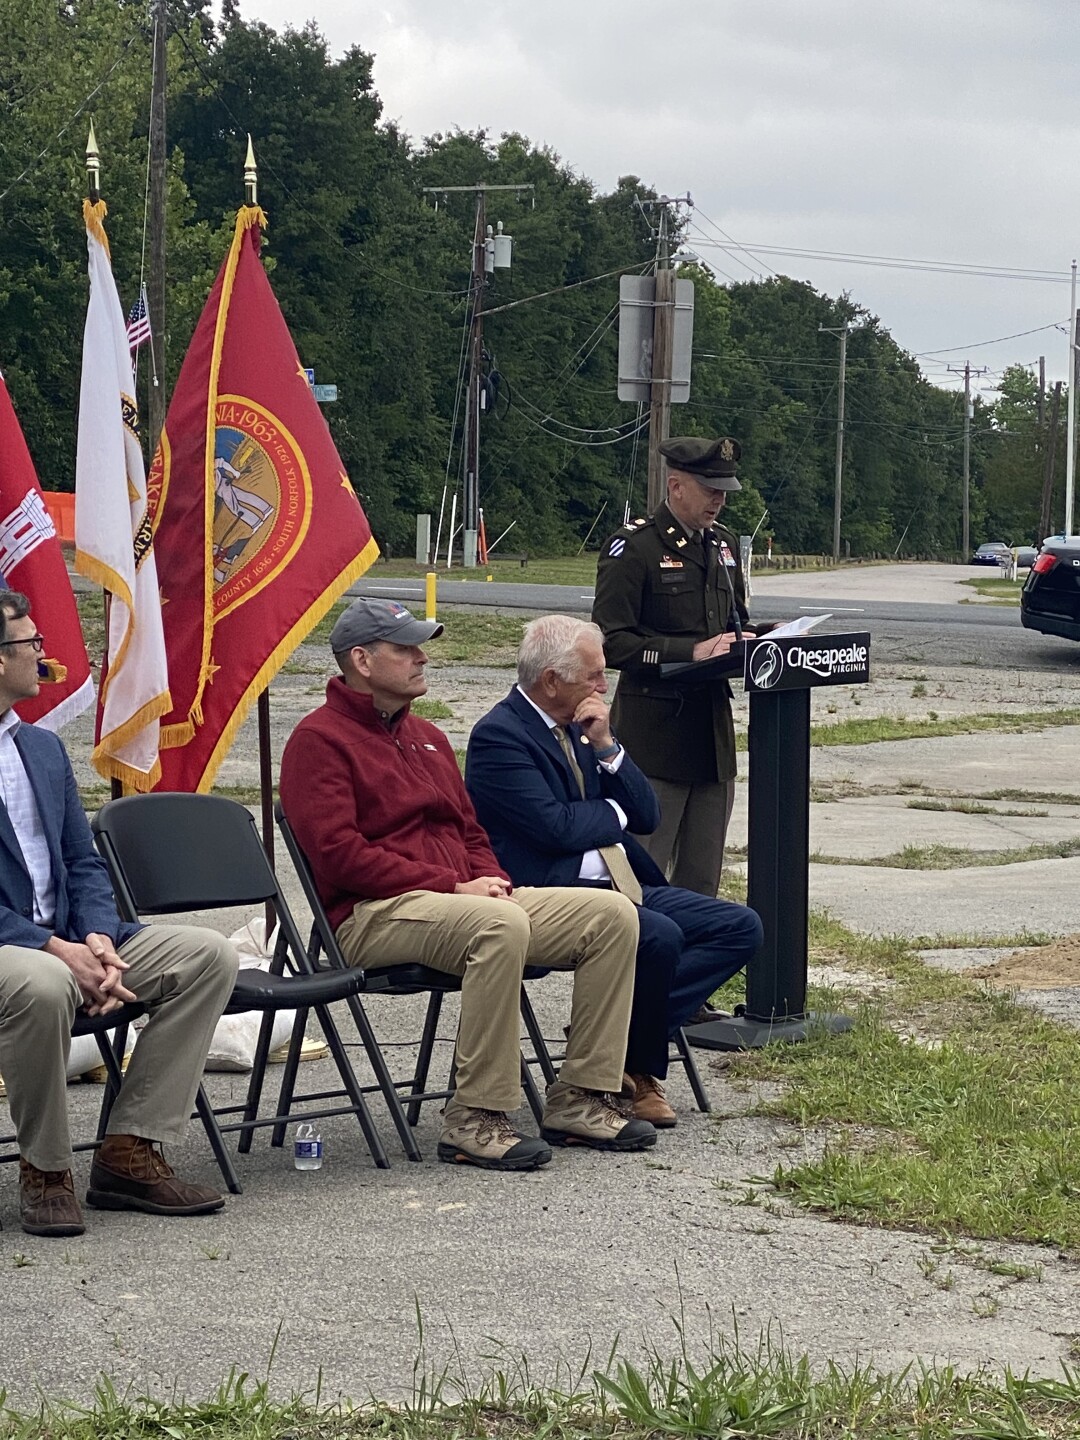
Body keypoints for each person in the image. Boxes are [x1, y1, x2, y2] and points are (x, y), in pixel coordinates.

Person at [278, 596, 655, 1173]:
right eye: (404, 649)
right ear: (360, 659)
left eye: (419, 647)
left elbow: (470, 831)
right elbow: (340, 859)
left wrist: (490, 879)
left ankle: (581, 1095)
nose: (421, 658)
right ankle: (475, 1118)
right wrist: (456, 889)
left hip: (460, 903)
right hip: (371, 915)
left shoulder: (426, 736)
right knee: (498, 923)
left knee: (610, 916)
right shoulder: (318, 740)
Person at [0, 590, 239, 1239]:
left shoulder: (42, 749)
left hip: (71, 939)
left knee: (207, 955)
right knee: (44, 983)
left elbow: (83, 863)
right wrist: (57, 952)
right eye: (30, 645)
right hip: (18, 950)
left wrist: (100, 938)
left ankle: (129, 1150)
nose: (42, 656)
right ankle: (46, 1170)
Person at [466, 614, 762, 1126]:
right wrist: (612, 815)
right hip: (553, 892)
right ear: (551, 680)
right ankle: (631, 1073)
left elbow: (647, 814)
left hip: (621, 881)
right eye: (594, 676)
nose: (604, 686)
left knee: (740, 927)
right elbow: (554, 829)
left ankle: (619, 1051)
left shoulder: (586, 726)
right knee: (660, 936)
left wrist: (607, 748)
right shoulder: (500, 737)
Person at [592, 435, 759, 898]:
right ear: (677, 486)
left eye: (724, 491)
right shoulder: (636, 548)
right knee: (640, 883)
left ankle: (693, 971)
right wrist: (689, 652)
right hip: (655, 741)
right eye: (710, 490)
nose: (720, 501)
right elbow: (610, 641)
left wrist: (771, 636)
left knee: (701, 884)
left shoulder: (722, 547)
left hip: (711, 742)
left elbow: (732, 627)